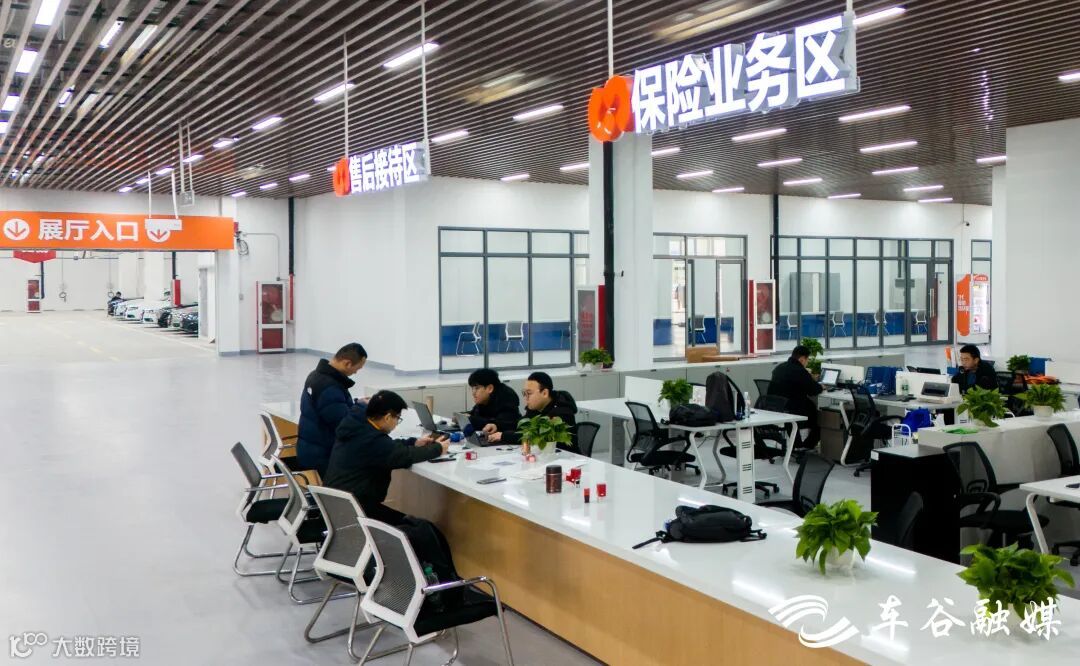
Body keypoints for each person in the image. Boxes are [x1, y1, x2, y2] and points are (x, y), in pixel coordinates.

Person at [324, 391, 447, 525]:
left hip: (338, 506)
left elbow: (388, 448)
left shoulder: (358, 427)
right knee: (421, 527)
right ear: (388, 417)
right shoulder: (372, 440)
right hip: (356, 512)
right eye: (398, 418)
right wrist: (438, 448)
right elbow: (405, 456)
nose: (397, 423)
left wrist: (414, 442)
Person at [296, 342, 367, 476]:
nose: (355, 372)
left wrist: (356, 404)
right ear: (347, 363)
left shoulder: (316, 376)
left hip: (310, 449)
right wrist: (362, 407)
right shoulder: (330, 387)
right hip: (323, 456)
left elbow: (333, 410)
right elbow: (344, 425)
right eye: (357, 369)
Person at [489, 372, 578, 449]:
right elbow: (521, 424)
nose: (526, 398)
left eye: (529, 393)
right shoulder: (535, 408)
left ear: (544, 393)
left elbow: (537, 435)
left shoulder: (563, 411)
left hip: (566, 458)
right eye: (524, 393)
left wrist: (504, 436)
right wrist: (497, 426)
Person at [768, 345, 823, 449]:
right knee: (820, 418)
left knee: (804, 410)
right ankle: (807, 445)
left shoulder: (779, 368)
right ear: (802, 359)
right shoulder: (800, 371)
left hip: (777, 407)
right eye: (807, 360)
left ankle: (798, 445)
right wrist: (821, 386)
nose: (807, 363)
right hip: (794, 409)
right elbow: (814, 391)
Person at [467, 368, 521, 438]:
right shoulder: (484, 399)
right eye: (472, 388)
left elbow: (501, 424)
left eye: (477, 388)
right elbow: (474, 414)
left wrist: (470, 419)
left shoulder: (507, 397)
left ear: (490, 388)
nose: (473, 393)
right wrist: (462, 417)